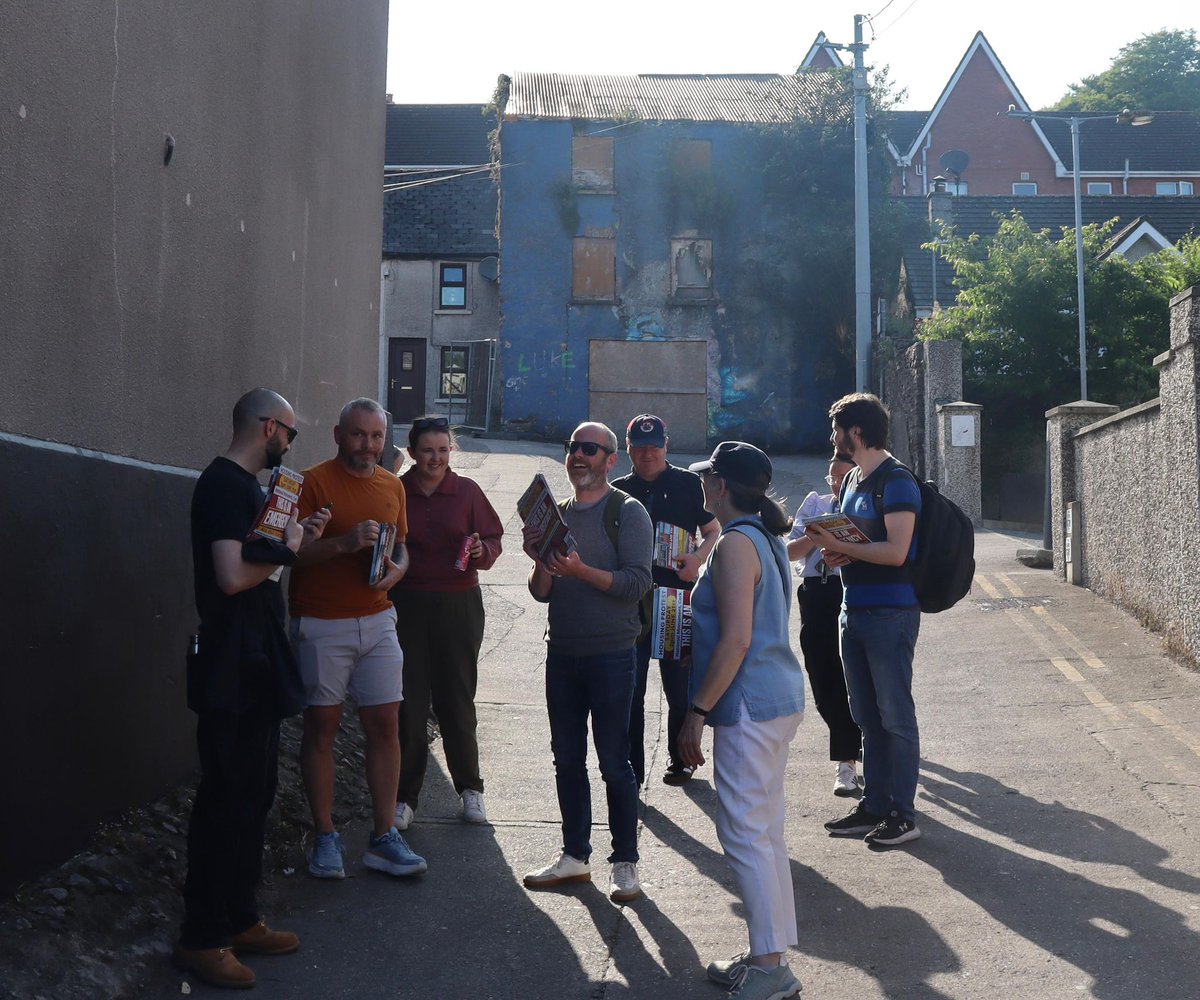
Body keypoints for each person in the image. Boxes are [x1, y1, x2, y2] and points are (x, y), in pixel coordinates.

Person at [177, 388, 330, 989]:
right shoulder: (221, 485)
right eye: (289, 433)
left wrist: (296, 536)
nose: (291, 444)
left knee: (257, 792)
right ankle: (202, 937)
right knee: (227, 798)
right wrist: (288, 549)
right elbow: (233, 576)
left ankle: (240, 918)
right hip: (230, 665)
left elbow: (256, 561)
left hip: (259, 662)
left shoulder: (251, 491)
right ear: (269, 427)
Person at [679, 441, 805, 1000]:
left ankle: (771, 966)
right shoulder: (766, 539)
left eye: (708, 479)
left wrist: (696, 713)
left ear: (722, 487)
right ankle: (767, 955)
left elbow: (735, 640)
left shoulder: (733, 545)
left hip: (748, 704)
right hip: (776, 698)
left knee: (745, 833)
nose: (703, 487)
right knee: (765, 832)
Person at [289, 397, 427, 880]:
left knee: (387, 726)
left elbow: (403, 547)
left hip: (379, 619)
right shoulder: (311, 482)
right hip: (322, 623)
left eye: (375, 437)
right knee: (322, 728)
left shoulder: (393, 485)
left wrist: (396, 574)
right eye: (358, 435)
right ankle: (325, 837)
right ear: (337, 434)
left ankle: (383, 837)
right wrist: (343, 544)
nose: (367, 446)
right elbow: (289, 557)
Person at [520, 422, 653, 904]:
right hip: (564, 653)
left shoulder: (628, 512)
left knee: (615, 762)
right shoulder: (559, 517)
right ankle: (575, 856)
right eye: (573, 447)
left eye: (589, 448)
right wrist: (541, 559)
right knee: (567, 760)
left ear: (611, 460)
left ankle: (625, 863)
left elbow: (637, 583)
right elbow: (540, 594)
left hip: (613, 655)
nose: (579, 455)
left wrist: (580, 570)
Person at [807, 392, 923, 848]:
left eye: (836, 428)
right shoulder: (854, 478)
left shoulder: (897, 482)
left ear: (855, 432)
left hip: (891, 614)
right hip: (851, 609)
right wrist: (837, 549)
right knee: (866, 717)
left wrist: (848, 550)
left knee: (895, 716)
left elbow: (895, 552)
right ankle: (874, 805)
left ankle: (903, 813)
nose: (832, 437)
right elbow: (860, 541)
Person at [390, 415, 504, 829]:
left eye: (442, 450)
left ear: (450, 451)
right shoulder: (397, 490)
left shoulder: (467, 491)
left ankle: (471, 789)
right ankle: (404, 798)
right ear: (412, 452)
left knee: (457, 699)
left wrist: (481, 552)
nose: (435, 458)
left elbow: (494, 538)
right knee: (408, 702)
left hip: (459, 605)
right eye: (427, 450)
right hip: (406, 604)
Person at [612, 414, 718, 786]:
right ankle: (633, 767)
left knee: (678, 687)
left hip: (676, 600)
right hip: (632, 602)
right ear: (627, 449)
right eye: (639, 448)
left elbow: (713, 530)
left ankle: (681, 759)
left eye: (654, 446)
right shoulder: (618, 490)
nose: (647, 454)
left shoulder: (690, 484)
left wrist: (698, 559)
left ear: (666, 445)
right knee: (632, 688)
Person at [786, 452, 863, 796]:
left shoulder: (865, 508)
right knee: (820, 672)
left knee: (853, 674)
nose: (835, 484)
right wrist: (818, 536)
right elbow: (790, 551)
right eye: (831, 477)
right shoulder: (816, 503)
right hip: (817, 590)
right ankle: (851, 741)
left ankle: (848, 760)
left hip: (852, 591)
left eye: (843, 477)